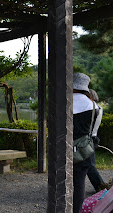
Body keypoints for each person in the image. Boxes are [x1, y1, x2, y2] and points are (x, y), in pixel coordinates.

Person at [73, 73, 99, 213]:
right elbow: (93, 133)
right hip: (84, 151)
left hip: (61, 149)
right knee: (79, 184)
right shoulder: (95, 107)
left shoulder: (62, 101)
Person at [87, 89, 107, 192]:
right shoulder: (99, 108)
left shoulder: (91, 108)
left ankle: (101, 187)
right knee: (89, 164)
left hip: (88, 139)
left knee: (89, 165)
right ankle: (100, 186)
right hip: (93, 137)